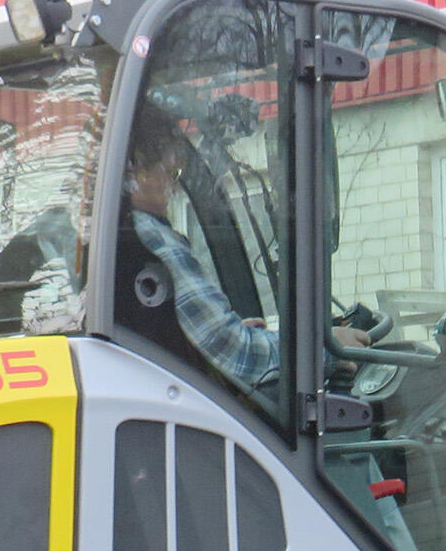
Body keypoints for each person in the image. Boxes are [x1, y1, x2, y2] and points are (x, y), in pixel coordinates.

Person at [125, 104, 365, 389]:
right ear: (137, 170)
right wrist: (327, 348)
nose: (174, 187)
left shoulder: (131, 237)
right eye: (172, 172)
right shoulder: (150, 240)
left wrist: (234, 333)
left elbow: (192, 345)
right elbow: (235, 354)